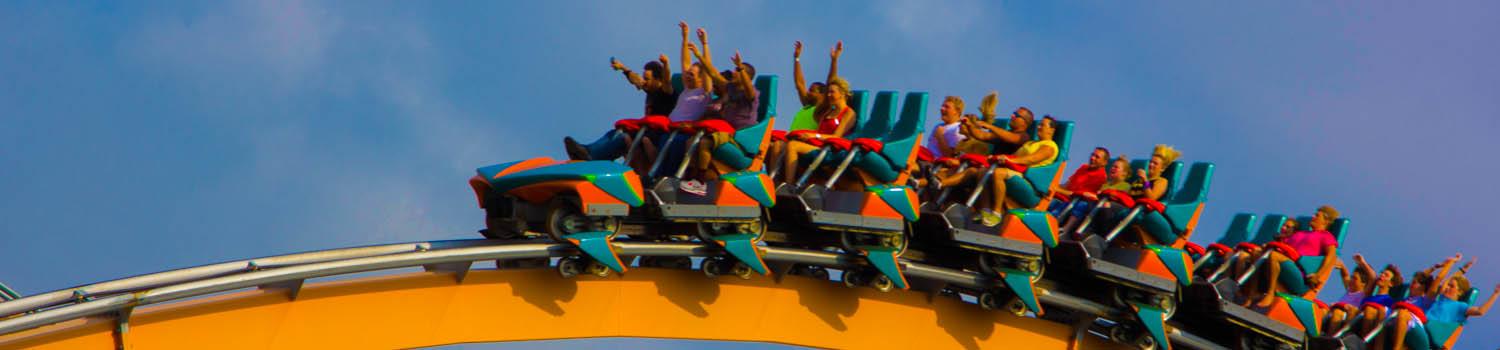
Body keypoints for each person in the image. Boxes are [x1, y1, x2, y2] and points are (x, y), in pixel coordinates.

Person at [562, 54, 675, 162]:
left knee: (622, 138)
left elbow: (667, 80)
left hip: (657, 134)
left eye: (647, 79)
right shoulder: (650, 89)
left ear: (658, 80)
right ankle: (587, 150)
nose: (644, 81)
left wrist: (665, 64)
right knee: (615, 132)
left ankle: (594, 156)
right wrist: (622, 68)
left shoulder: (666, 91)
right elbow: (636, 80)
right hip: (646, 130)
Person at [686, 27, 760, 191]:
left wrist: (741, 67)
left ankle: (700, 182)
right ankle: (689, 176)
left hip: (740, 143)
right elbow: (713, 73)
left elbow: (748, 90)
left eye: (737, 71)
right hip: (726, 135)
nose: (733, 73)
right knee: (691, 140)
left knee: (706, 141)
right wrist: (699, 53)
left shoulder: (752, 93)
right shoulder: (730, 88)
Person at [1249, 206, 1342, 308]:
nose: (1313, 216)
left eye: (1317, 215)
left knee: (1274, 256)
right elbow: (1283, 246)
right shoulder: (1300, 234)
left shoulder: (1326, 236)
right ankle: (1251, 293)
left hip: (1300, 275)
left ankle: (1270, 294)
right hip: (1285, 265)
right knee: (1256, 253)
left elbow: (1331, 256)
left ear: (1326, 221)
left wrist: (1317, 275)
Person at [779, 77, 857, 183]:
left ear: (842, 94)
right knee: (778, 145)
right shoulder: (829, 111)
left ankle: (789, 184)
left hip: (830, 149)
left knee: (792, 146)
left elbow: (837, 136)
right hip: (817, 144)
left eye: (832, 92)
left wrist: (815, 136)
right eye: (828, 92)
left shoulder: (849, 113)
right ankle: (774, 180)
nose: (828, 95)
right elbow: (819, 130)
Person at [1391, 275, 1498, 350]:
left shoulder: (1460, 306)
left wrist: (1496, 294)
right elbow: (1441, 283)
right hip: (1417, 326)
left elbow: (1480, 311)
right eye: (1448, 285)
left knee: (1403, 315)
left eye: (1451, 286)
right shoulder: (1436, 300)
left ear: (1460, 292)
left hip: (1427, 338)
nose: (1447, 287)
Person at [789, 40, 841, 131]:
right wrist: (797, 58)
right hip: (791, 137)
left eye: (812, 91)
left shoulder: (823, 107)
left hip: (807, 141)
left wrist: (834, 60)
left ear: (822, 94)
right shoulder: (807, 104)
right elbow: (799, 84)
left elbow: (831, 81)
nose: (808, 93)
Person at [1326, 253, 1378, 331]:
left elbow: (1373, 278)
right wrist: (1342, 266)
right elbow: (1345, 275)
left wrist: (1362, 263)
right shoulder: (1349, 290)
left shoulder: (1363, 294)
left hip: (1348, 317)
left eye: (1355, 278)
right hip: (1335, 313)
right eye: (1351, 277)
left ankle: (1331, 338)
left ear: (1363, 283)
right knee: (1321, 309)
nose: (1351, 280)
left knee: (1337, 312)